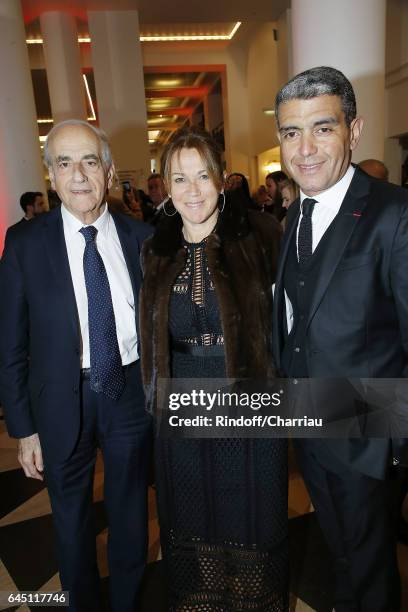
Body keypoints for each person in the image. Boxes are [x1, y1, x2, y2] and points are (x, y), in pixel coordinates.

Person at [0, 119, 152, 612]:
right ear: (51, 175)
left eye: (89, 161)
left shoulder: (142, 237)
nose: (79, 174)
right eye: (64, 163)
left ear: (108, 172)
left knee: (131, 511)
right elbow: (10, 344)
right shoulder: (24, 244)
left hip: (129, 391)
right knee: (70, 519)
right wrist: (23, 429)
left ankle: (127, 602)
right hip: (60, 400)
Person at [272, 65, 408, 612]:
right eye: (290, 132)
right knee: (343, 559)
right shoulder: (295, 214)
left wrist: (392, 442)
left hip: (369, 435)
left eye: (322, 128)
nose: (304, 149)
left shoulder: (395, 214)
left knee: (373, 573)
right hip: (309, 427)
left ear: (353, 131)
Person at [140, 126, 289, 611]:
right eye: (180, 179)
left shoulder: (260, 235)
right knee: (193, 512)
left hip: (247, 400)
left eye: (202, 175)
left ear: (221, 178)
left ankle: (253, 601)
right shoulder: (154, 250)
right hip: (181, 402)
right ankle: (204, 601)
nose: (193, 190)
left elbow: (287, 322)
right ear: (164, 186)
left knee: (250, 511)